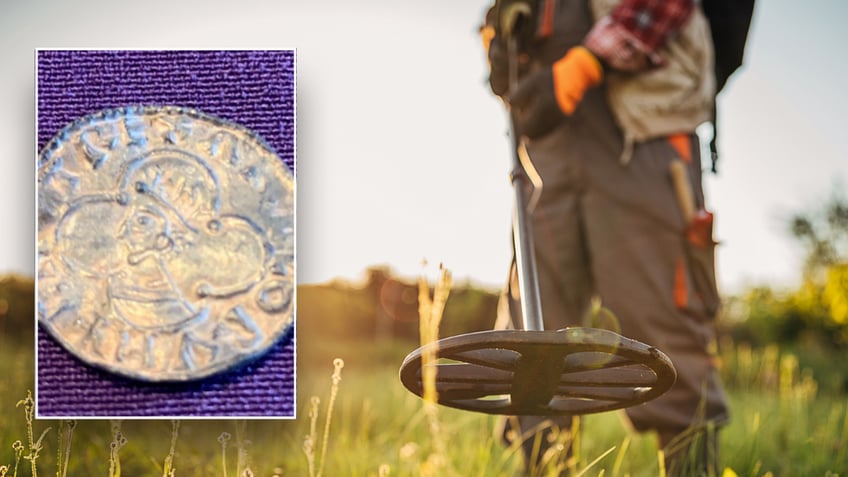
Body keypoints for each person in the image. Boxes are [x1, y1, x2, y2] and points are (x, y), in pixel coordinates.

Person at [482, 0, 730, 474]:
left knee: (666, 324)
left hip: (643, 135)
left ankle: (691, 466)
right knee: (533, 332)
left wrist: (587, 63)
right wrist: (496, 41)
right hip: (547, 147)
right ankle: (542, 465)